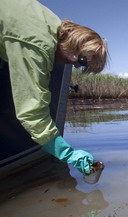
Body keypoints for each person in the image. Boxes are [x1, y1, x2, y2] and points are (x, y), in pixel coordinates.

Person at [0, 0, 108, 175]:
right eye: (81, 60)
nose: (74, 65)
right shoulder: (38, 44)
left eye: (82, 66)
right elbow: (32, 113)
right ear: (76, 38)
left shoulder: (49, 22)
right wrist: (69, 155)